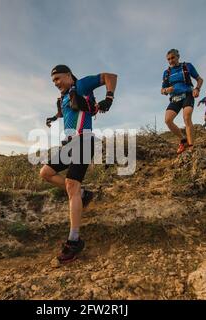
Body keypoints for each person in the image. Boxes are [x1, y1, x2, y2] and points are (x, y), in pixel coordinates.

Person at [40, 65, 117, 264]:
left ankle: (74, 240)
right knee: (46, 173)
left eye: (58, 78)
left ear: (68, 75)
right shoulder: (62, 98)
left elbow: (110, 76)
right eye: (53, 81)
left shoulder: (81, 85)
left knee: (71, 185)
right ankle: (83, 195)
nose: (55, 83)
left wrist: (109, 97)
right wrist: (53, 117)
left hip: (84, 140)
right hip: (69, 143)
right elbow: (64, 113)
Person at [161, 49, 203, 154]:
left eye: (173, 58)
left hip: (187, 95)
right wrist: (166, 90)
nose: (171, 61)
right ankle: (183, 140)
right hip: (175, 98)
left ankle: (191, 146)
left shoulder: (187, 66)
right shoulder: (166, 73)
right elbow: (162, 90)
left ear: (178, 57)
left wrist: (197, 89)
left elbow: (199, 79)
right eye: (168, 59)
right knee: (168, 120)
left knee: (187, 117)